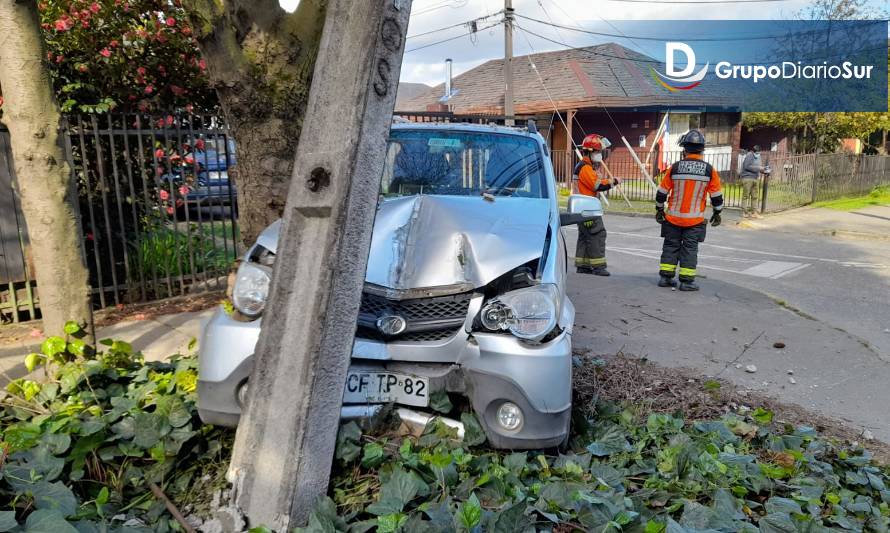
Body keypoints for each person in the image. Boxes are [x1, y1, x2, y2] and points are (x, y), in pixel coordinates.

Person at [655, 129, 723, 291]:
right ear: (702, 149)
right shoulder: (709, 170)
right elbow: (716, 196)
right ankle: (686, 282)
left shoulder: (675, 168)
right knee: (690, 249)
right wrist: (717, 212)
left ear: (684, 149)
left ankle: (666, 278)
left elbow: (661, 192)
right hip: (694, 221)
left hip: (673, 219)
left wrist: (659, 209)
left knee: (671, 246)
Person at [573, 133, 620, 276]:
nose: (600, 154)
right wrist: (613, 181)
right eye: (599, 151)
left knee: (585, 236)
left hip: (583, 208)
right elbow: (597, 186)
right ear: (591, 151)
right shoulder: (585, 168)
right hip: (588, 209)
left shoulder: (585, 166)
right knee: (597, 234)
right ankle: (598, 266)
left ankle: (583, 265)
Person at [740, 145, 766, 218]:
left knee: (755, 196)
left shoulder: (759, 157)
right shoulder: (749, 155)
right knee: (746, 196)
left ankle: (754, 212)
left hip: (755, 178)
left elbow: (758, 168)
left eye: (759, 152)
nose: (758, 154)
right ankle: (744, 212)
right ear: (753, 151)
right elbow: (747, 166)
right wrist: (759, 168)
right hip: (747, 178)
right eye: (757, 152)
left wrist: (763, 170)